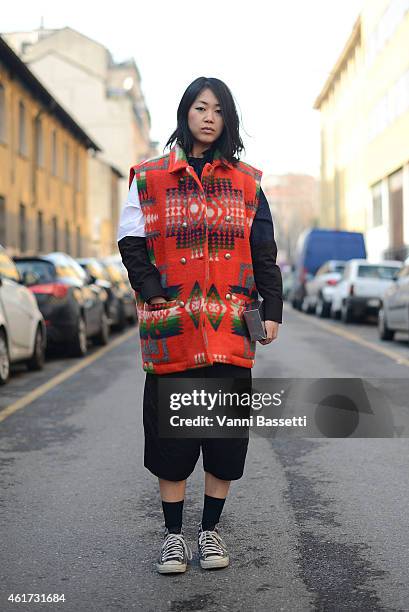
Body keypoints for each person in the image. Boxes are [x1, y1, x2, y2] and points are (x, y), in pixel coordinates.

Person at [118, 76, 283, 574]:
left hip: (231, 330)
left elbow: (264, 251)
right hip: (174, 330)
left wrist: (271, 309)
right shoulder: (149, 177)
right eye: (199, 107)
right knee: (172, 438)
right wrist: (153, 292)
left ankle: (209, 533)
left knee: (224, 439)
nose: (208, 117)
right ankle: (173, 538)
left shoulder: (248, 180)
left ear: (227, 118)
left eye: (217, 109)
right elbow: (131, 241)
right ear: (185, 113)